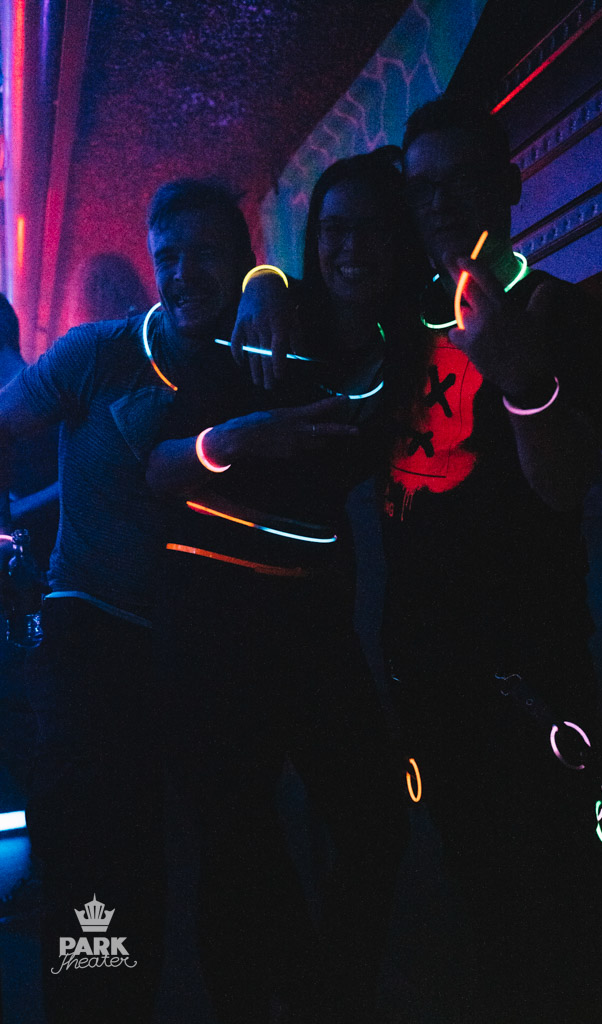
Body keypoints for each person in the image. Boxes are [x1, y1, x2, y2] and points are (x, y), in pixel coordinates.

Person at [0, 177, 358, 1024]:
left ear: (240, 259)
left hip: (208, 646)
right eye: (169, 256)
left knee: (237, 855)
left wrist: (270, 285)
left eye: (206, 254)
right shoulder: (95, 354)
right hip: (94, 640)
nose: (184, 271)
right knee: (100, 876)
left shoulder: (256, 354)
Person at [145, 154, 418, 1023]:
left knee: (373, 823)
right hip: (214, 627)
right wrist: (242, 435)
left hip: (311, 624)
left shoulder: (402, 341)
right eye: (333, 230)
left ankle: (325, 996)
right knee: (239, 851)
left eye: (369, 229)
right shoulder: (265, 318)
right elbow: (157, 469)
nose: (350, 247)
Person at [381, 92, 602, 1022]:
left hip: (533, 680)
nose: (438, 204)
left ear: (509, 185)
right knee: (474, 909)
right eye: (421, 188)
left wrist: (517, 370)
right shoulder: (401, 327)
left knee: (554, 919)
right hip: (426, 678)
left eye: (460, 181)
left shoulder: (561, 312)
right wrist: (264, 285)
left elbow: (564, 487)